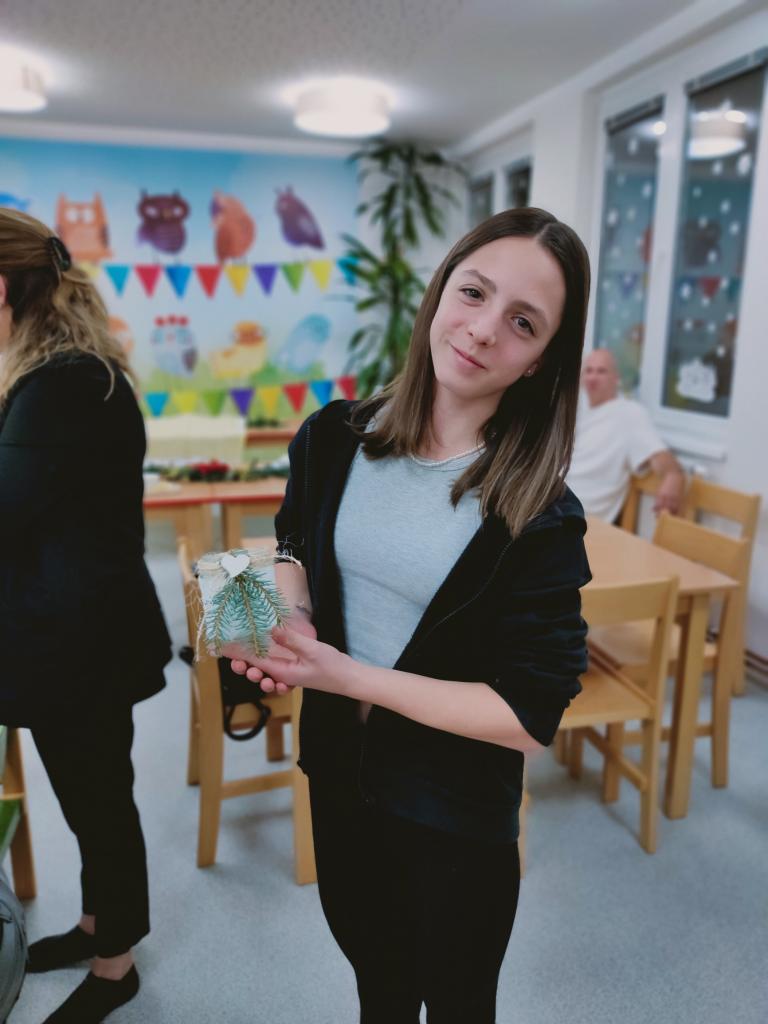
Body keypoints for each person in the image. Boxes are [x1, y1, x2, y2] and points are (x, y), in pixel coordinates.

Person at [231, 207, 593, 1023]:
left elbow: (529, 715)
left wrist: (346, 674)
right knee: (379, 989)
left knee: (459, 1003)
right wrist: (293, 615)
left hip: (454, 812)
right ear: (440, 291)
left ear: (540, 360)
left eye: (524, 322)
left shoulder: (539, 515)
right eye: (474, 292)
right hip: (339, 776)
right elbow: (293, 542)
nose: (483, 329)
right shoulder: (332, 437)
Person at [0, 209, 171, 1023]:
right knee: (89, 795)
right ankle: (99, 924)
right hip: (76, 632)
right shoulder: (62, 375)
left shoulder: (62, 385)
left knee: (100, 801)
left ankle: (115, 968)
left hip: (82, 643)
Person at [567, 348, 685, 523]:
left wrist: (674, 475)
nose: (592, 377)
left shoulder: (629, 413)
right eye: (589, 371)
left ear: (616, 378)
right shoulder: (580, 410)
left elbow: (661, 457)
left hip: (581, 516)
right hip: (557, 501)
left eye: (601, 371)